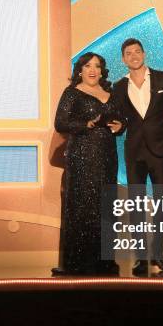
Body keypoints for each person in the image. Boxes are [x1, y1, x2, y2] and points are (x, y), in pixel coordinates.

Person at [113, 38, 163, 275]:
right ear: (123, 59)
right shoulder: (118, 86)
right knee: (135, 204)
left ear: (144, 54)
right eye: (128, 53)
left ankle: (158, 253)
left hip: (161, 151)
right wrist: (118, 127)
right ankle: (141, 257)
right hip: (134, 153)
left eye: (137, 51)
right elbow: (123, 121)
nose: (134, 56)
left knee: (161, 203)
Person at [52, 52, 126, 276]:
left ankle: (104, 263)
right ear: (80, 70)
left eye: (97, 66)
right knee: (83, 207)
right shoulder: (72, 93)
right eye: (87, 66)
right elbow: (60, 123)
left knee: (105, 207)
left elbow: (121, 119)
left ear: (102, 70)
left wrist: (120, 126)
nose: (93, 70)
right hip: (82, 157)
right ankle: (78, 264)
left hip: (107, 158)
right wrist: (87, 123)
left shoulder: (110, 94)